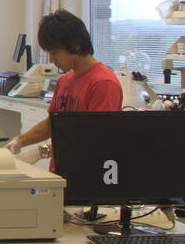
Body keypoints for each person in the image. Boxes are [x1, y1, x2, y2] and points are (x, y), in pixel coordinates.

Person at [7, 9, 123, 163]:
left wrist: (42, 151)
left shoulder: (103, 84)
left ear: (75, 46)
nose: (51, 59)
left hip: (85, 175)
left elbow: (95, 139)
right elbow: (52, 124)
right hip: (60, 172)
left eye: (55, 52)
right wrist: (19, 141)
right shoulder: (64, 81)